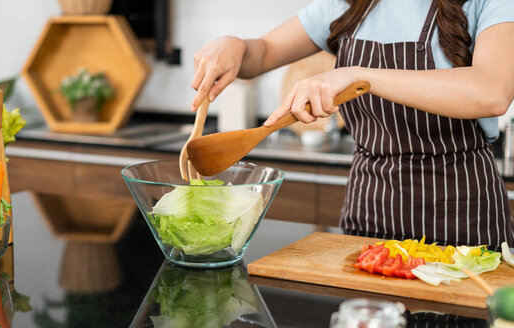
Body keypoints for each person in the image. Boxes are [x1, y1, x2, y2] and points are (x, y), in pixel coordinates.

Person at [190, 0, 514, 249]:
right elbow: (261, 54)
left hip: (464, 214)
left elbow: (492, 92)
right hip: (370, 209)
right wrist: (235, 45)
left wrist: (361, 76)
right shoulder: (349, 6)